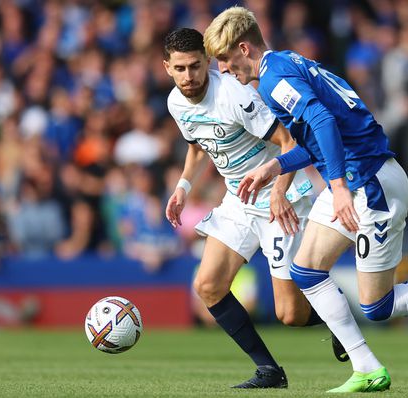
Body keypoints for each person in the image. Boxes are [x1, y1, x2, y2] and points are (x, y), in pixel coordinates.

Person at [203, 7, 408, 392]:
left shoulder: (273, 79)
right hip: (355, 176)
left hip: (371, 184)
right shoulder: (289, 62)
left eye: (224, 60)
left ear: (244, 47)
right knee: (305, 271)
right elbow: (319, 138)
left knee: (378, 306)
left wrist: (336, 187)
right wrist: (275, 167)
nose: (223, 70)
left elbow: (322, 121)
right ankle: (366, 366)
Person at [162, 28, 345, 389]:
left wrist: (279, 190)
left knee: (289, 314)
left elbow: (287, 142)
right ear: (167, 67)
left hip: (281, 200)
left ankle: (339, 318)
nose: (189, 76)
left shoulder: (234, 96)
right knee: (208, 285)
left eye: (196, 66)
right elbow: (198, 143)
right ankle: (269, 371)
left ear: (208, 61)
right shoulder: (175, 102)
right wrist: (184, 186)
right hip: (238, 200)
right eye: (180, 69)